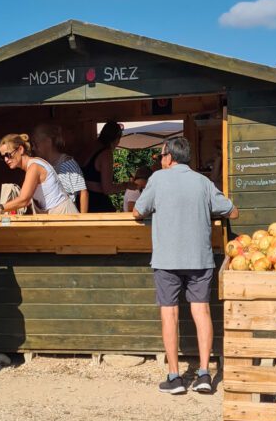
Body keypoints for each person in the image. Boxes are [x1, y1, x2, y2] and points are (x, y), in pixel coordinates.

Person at [133, 137, 238, 395]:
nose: (160, 160)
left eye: (161, 156)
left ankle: (174, 377)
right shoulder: (203, 182)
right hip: (199, 259)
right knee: (201, 311)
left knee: (169, 315)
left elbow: (137, 211)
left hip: (167, 259)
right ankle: (204, 374)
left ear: (169, 156)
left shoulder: (158, 179)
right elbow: (233, 212)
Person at [0, 134, 79, 215]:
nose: (6, 159)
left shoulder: (34, 167)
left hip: (64, 214)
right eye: (3, 157)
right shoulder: (33, 165)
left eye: (8, 155)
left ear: (20, 149)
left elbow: (24, 200)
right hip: (57, 214)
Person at [32, 123, 89, 212]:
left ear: (48, 142)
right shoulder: (41, 165)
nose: (33, 148)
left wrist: (83, 219)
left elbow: (83, 193)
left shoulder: (68, 163)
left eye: (36, 143)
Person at [82, 120, 127, 212]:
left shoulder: (89, 148)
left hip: (81, 200)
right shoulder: (106, 154)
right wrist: (126, 185)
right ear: (116, 139)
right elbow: (107, 188)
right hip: (96, 203)